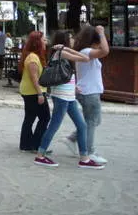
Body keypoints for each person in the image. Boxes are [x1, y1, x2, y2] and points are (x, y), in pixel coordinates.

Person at [33, 31, 104, 169]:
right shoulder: (61, 52)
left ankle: (84, 158)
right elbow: (85, 58)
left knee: (82, 125)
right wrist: (66, 49)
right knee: (54, 125)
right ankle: (40, 155)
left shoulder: (61, 52)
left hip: (68, 96)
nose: (73, 39)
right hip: (61, 96)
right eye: (70, 38)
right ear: (65, 40)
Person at [64, 25, 110, 164]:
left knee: (93, 121)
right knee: (91, 122)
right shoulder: (87, 51)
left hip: (88, 91)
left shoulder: (84, 51)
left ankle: (72, 138)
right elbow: (105, 51)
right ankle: (89, 151)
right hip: (89, 92)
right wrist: (102, 33)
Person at [18, 31, 50, 151]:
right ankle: (36, 144)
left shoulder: (34, 56)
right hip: (33, 92)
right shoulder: (32, 58)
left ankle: (27, 144)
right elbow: (34, 77)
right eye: (44, 39)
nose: (45, 41)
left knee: (30, 117)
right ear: (37, 42)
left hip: (31, 91)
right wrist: (40, 93)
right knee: (45, 117)